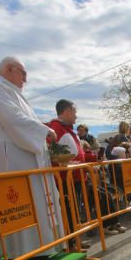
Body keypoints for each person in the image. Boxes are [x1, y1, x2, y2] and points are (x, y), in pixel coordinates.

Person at [0, 56, 64, 259]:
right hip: (12, 161)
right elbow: (12, 118)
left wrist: (40, 131)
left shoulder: (11, 91)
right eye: (23, 73)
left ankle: (41, 246)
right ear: (10, 69)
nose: (25, 79)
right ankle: (22, 250)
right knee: (20, 205)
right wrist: (44, 130)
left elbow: (24, 119)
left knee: (36, 203)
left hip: (25, 158)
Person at [46, 100, 91, 250]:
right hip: (65, 179)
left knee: (74, 210)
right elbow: (51, 155)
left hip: (75, 177)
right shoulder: (55, 128)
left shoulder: (66, 129)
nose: (76, 117)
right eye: (75, 112)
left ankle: (75, 239)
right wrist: (65, 164)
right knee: (68, 211)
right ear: (67, 112)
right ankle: (70, 242)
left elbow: (77, 152)